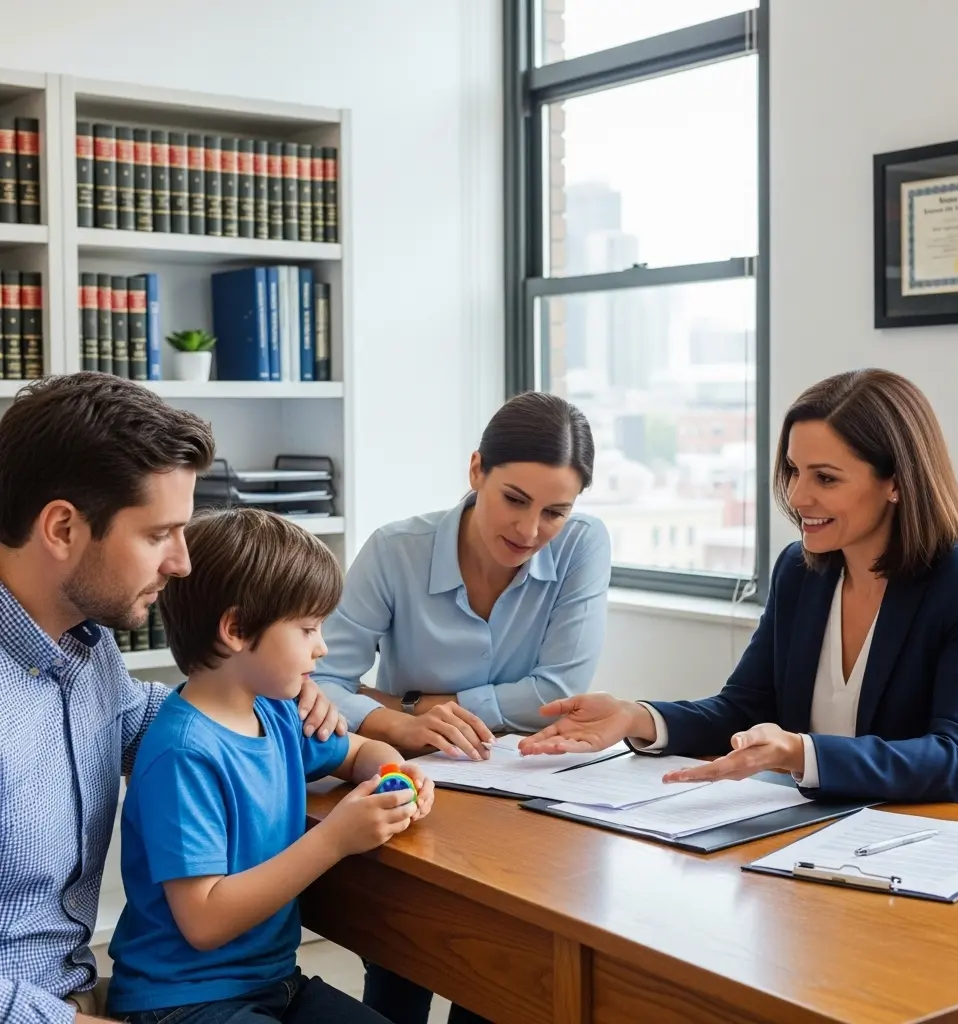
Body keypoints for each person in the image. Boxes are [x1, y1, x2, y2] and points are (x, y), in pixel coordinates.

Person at [521, 369, 958, 817]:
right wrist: (639, 717)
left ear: (895, 482)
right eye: (793, 471)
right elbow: (745, 708)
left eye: (825, 477)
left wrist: (799, 753)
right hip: (831, 831)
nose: (799, 496)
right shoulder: (801, 572)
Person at [0, 373, 344, 1024]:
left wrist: (309, 703)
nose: (182, 564)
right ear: (63, 528)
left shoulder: (86, 646)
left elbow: (160, 718)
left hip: (81, 994)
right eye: (160, 534)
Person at [313, 390, 611, 1024]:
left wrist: (421, 700)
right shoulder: (396, 549)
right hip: (415, 791)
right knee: (402, 963)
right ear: (477, 471)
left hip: (531, 807)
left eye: (556, 510)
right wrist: (399, 721)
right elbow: (319, 679)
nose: (530, 531)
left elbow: (556, 693)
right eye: (514, 499)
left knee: (506, 976)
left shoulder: (583, 544)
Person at [107, 508, 435, 1023]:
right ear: (236, 629)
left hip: (275, 981)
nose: (322, 647)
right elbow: (205, 921)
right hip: (183, 1000)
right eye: (307, 629)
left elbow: (354, 753)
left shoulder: (277, 711)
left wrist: (395, 770)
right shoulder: (183, 753)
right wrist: (333, 839)